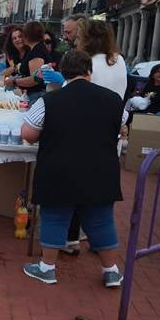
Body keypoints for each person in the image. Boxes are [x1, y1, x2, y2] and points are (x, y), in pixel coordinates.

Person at [21, 50, 125, 288]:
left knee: (55, 217)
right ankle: (111, 271)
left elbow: (28, 133)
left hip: (59, 170)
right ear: (89, 71)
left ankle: (47, 268)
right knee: (101, 221)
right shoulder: (113, 100)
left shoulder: (49, 101)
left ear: (63, 72)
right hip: (100, 171)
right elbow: (120, 127)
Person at [4, 21, 47, 105]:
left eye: (22, 35)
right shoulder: (35, 50)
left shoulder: (37, 52)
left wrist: (15, 81)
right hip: (30, 95)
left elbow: (35, 79)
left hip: (36, 96)